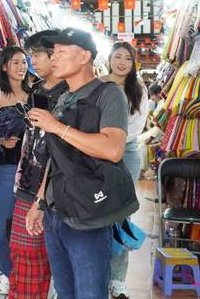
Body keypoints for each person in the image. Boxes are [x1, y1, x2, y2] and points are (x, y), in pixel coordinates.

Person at [25, 28, 129, 299]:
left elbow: (113, 149)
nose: (54, 57)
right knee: (64, 291)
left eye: (61, 52)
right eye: (53, 52)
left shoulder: (109, 94)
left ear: (84, 57)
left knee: (90, 292)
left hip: (88, 214)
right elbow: (55, 157)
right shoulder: (62, 98)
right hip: (56, 212)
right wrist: (39, 202)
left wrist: (57, 127)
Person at [9, 31, 68, 298]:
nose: (31, 61)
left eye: (35, 55)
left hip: (54, 187)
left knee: (44, 255)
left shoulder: (69, 94)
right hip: (28, 179)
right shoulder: (36, 90)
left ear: (54, 55)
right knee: (23, 252)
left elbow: (61, 150)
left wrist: (42, 197)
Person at [101, 42, 148, 299]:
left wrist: (110, 140)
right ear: (109, 59)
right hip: (97, 154)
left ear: (133, 63)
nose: (121, 62)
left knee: (121, 216)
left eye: (127, 58)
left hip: (126, 154)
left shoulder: (138, 89)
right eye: (117, 57)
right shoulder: (99, 83)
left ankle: (117, 279)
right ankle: (97, 273)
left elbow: (136, 126)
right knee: (95, 213)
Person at [0, 46, 31, 295]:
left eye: (24, 62)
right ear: (4, 66)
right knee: (3, 222)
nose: (21, 67)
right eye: (15, 62)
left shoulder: (34, 96)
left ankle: (29, 271)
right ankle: (5, 272)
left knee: (28, 223)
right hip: (3, 169)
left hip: (30, 171)